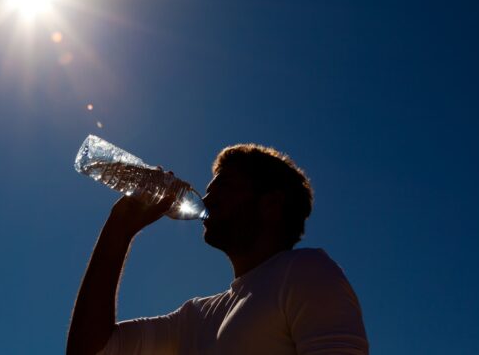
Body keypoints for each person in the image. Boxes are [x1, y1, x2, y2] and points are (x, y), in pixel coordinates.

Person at [66, 144, 369, 355]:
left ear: (271, 205)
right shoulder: (195, 317)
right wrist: (119, 228)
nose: (207, 201)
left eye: (223, 188)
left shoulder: (306, 271)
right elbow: (92, 350)